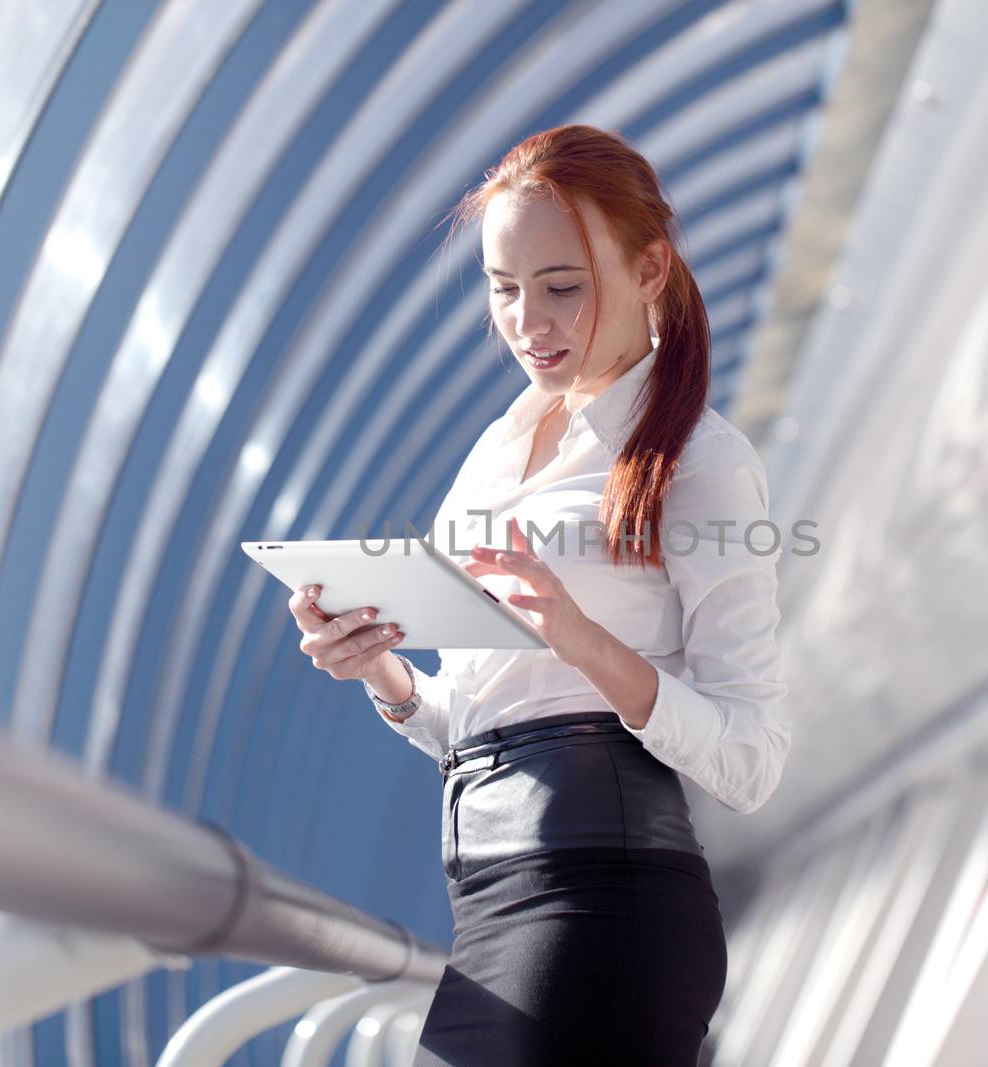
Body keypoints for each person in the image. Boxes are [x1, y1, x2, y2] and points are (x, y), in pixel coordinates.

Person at [287, 124, 791, 1065]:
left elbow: (752, 757)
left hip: (602, 907)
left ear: (651, 271)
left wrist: (582, 636)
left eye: (562, 286)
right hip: (491, 897)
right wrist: (387, 674)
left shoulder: (701, 461)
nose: (529, 322)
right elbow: (486, 722)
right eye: (503, 289)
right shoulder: (497, 449)